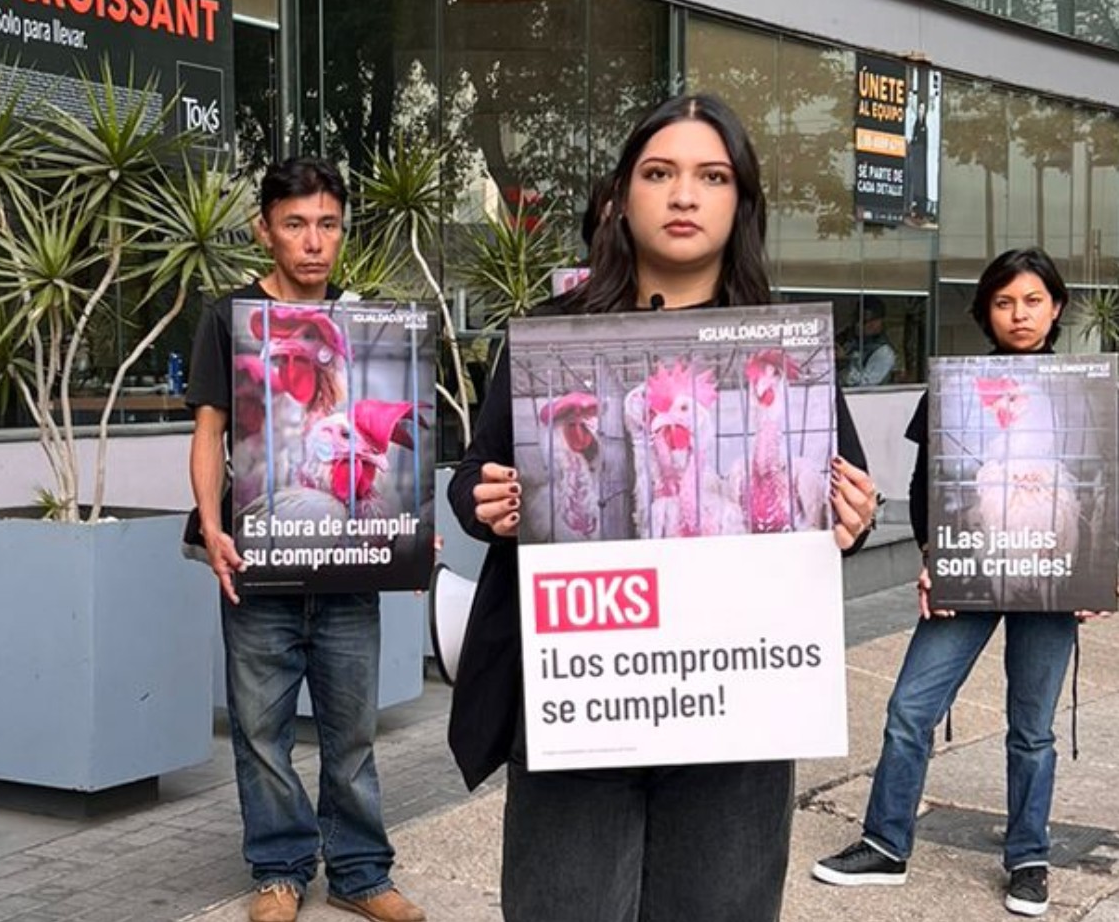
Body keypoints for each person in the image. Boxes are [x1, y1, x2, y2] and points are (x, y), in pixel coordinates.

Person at [447, 93, 878, 922]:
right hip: (582, 696)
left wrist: (851, 514)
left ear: (741, 203)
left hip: (736, 709)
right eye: (660, 173)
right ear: (619, 197)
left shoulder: (781, 346)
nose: (684, 195)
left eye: (711, 176)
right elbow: (474, 475)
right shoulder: (549, 336)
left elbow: (839, 495)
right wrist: (485, 499)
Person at [814, 247, 1093, 918]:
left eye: (1032, 300)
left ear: (1054, 308)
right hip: (968, 566)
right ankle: (885, 842)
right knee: (911, 707)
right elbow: (923, 484)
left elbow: (1098, 482)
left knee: (1032, 728)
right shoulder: (956, 383)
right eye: (1004, 302)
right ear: (985, 312)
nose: (1018, 314)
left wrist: (1095, 573)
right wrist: (932, 553)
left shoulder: (1086, 387)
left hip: (1049, 571)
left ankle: (1029, 857)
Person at [187, 157, 423, 922]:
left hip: (350, 568)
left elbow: (402, 442)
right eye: (295, 224)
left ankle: (359, 871)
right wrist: (214, 527)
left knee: (352, 730)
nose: (313, 242)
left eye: (326, 224)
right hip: (259, 564)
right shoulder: (229, 319)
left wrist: (411, 534)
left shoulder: (370, 323)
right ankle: (279, 871)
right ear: (265, 228)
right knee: (261, 731)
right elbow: (208, 433)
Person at [839, 294, 899, 388]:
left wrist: (844, 365)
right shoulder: (853, 343)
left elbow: (866, 385)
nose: (858, 325)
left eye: (864, 321)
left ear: (877, 322)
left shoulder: (883, 352)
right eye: (857, 320)